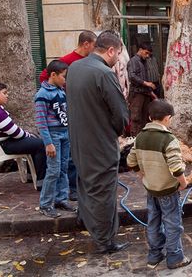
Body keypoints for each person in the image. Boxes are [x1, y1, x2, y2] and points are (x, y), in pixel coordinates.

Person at [66, 31, 130, 254]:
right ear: (110, 50)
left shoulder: (75, 68)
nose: (118, 59)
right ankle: (105, 241)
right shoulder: (104, 73)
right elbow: (121, 115)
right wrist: (115, 132)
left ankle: (86, 221)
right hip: (99, 144)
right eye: (119, 53)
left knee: (86, 185)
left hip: (79, 141)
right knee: (103, 193)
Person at [127, 100, 192, 270]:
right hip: (168, 191)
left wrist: (142, 176)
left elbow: (130, 161)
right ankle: (175, 257)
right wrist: (184, 184)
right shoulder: (168, 139)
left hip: (151, 189)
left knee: (153, 222)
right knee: (173, 224)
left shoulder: (140, 137)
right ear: (167, 118)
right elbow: (176, 167)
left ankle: (154, 256)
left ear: (150, 117)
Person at [39, 30, 97, 202]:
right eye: (93, 45)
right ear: (86, 44)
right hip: (63, 118)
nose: (94, 49)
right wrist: (57, 95)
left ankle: (69, 192)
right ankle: (59, 195)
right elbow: (45, 76)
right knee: (62, 161)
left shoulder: (90, 61)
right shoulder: (66, 61)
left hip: (80, 113)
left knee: (73, 156)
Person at [35, 60, 75, 218]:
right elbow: (41, 122)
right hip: (53, 135)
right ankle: (45, 204)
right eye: (63, 77)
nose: (65, 80)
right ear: (53, 75)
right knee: (53, 170)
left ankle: (61, 198)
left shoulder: (61, 91)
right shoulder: (42, 95)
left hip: (65, 133)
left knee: (64, 167)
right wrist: (48, 143)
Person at [0, 82, 46, 189]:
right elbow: (16, 133)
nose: (7, 95)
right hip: (3, 145)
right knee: (40, 144)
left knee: (33, 142)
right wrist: (28, 135)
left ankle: (31, 176)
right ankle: (41, 181)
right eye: (4, 93)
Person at [127, 43, 157, 136]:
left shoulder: (144, 62)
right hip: (137, 94)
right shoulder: (133, 61)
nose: (147, 56)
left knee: (145, 118)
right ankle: (134, 140)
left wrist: (151, 93)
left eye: (149, 54)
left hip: (145, 94)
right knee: (136, 118)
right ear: (140, 50)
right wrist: (146, 83)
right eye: (146, 53)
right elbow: (132, 76)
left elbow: (145, 78)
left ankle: (142, 139)